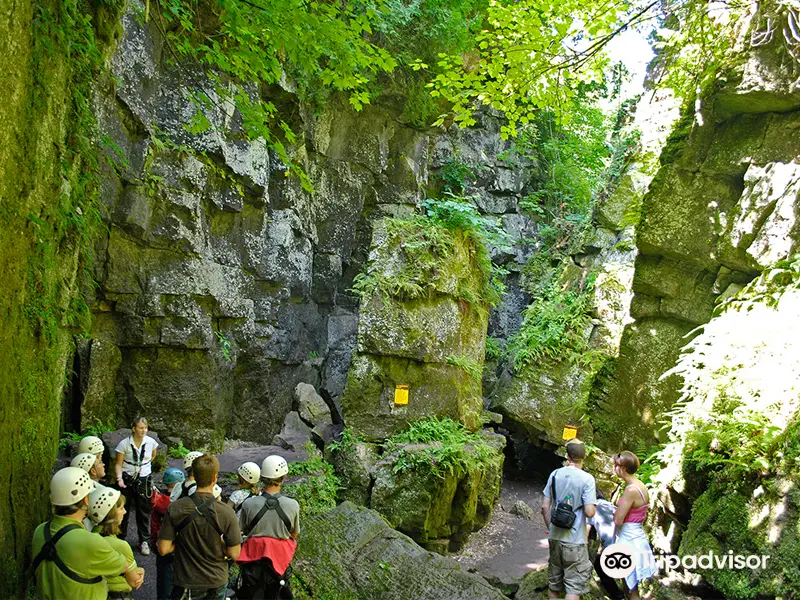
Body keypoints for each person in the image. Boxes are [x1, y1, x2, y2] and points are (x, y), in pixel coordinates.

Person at [31, 467, 144, 600]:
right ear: (86, 500)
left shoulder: (40, 531)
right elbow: (124, 566)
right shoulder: (90, 541)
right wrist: (138, 570)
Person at [158, 454, 242, 600]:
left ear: (194, 476)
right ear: (215, 478)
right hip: (216, 579)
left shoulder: (176, 507)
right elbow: (234, 553)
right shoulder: (226, 512)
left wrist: (183, 541)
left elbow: (164, 549)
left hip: (186, 579)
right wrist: (220, 542)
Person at [236, 455, 299, 600]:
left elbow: (244, 530)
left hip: (252, 560)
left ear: (262, 476)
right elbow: (294, 534)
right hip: (279, 561)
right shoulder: (293, 505)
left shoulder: (248, 504)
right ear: (284, 477)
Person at [541, 438, 597, 600]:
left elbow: (545, 507)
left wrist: (551, 527)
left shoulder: (555, 474)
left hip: (555, 537)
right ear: (584, 457)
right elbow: (590, 512)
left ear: (567, 456)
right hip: (576, 540)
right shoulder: (587, 479)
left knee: (554, 585)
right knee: (573, 588)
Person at [612, 451, 657, 600]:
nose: (614, 468)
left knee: (631, 590)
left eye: (616, 466)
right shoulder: (640, 485)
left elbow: (618, 520)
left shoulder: (631, 490)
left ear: (623, 468)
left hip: (629, 538)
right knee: (630, 585)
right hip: (637, 535)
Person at [87, 486, 145, 600]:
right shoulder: (120, 546)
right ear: (112, 513)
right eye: (121, 508)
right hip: (118, 594)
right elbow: (134, 581)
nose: (125, 512)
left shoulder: (89, 536)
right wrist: (141, 570)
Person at [115, 416, 158, 556]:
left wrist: (143, 467)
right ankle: (120, 538)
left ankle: (144, 540)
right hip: (127, 478)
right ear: (133, 428)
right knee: (123, 508)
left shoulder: (151, 442)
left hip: (144, 478)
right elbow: (118, 463)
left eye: (145, 428)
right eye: (140, 428)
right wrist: (119, 478)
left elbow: (153, 456)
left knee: (144, 510)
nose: (143, 430)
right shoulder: (124, 444)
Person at [151, 467, 185, 600]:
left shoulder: (159, 500)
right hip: (174, 547)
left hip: (159, 543)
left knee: (163, 582)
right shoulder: (176, 503)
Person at [588, 490, 624, 600]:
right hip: (626, 542)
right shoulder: (609, 505)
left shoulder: (591, 508)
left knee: (599, 565)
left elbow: (586, 534)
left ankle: (616, 595)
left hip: (612, 547)